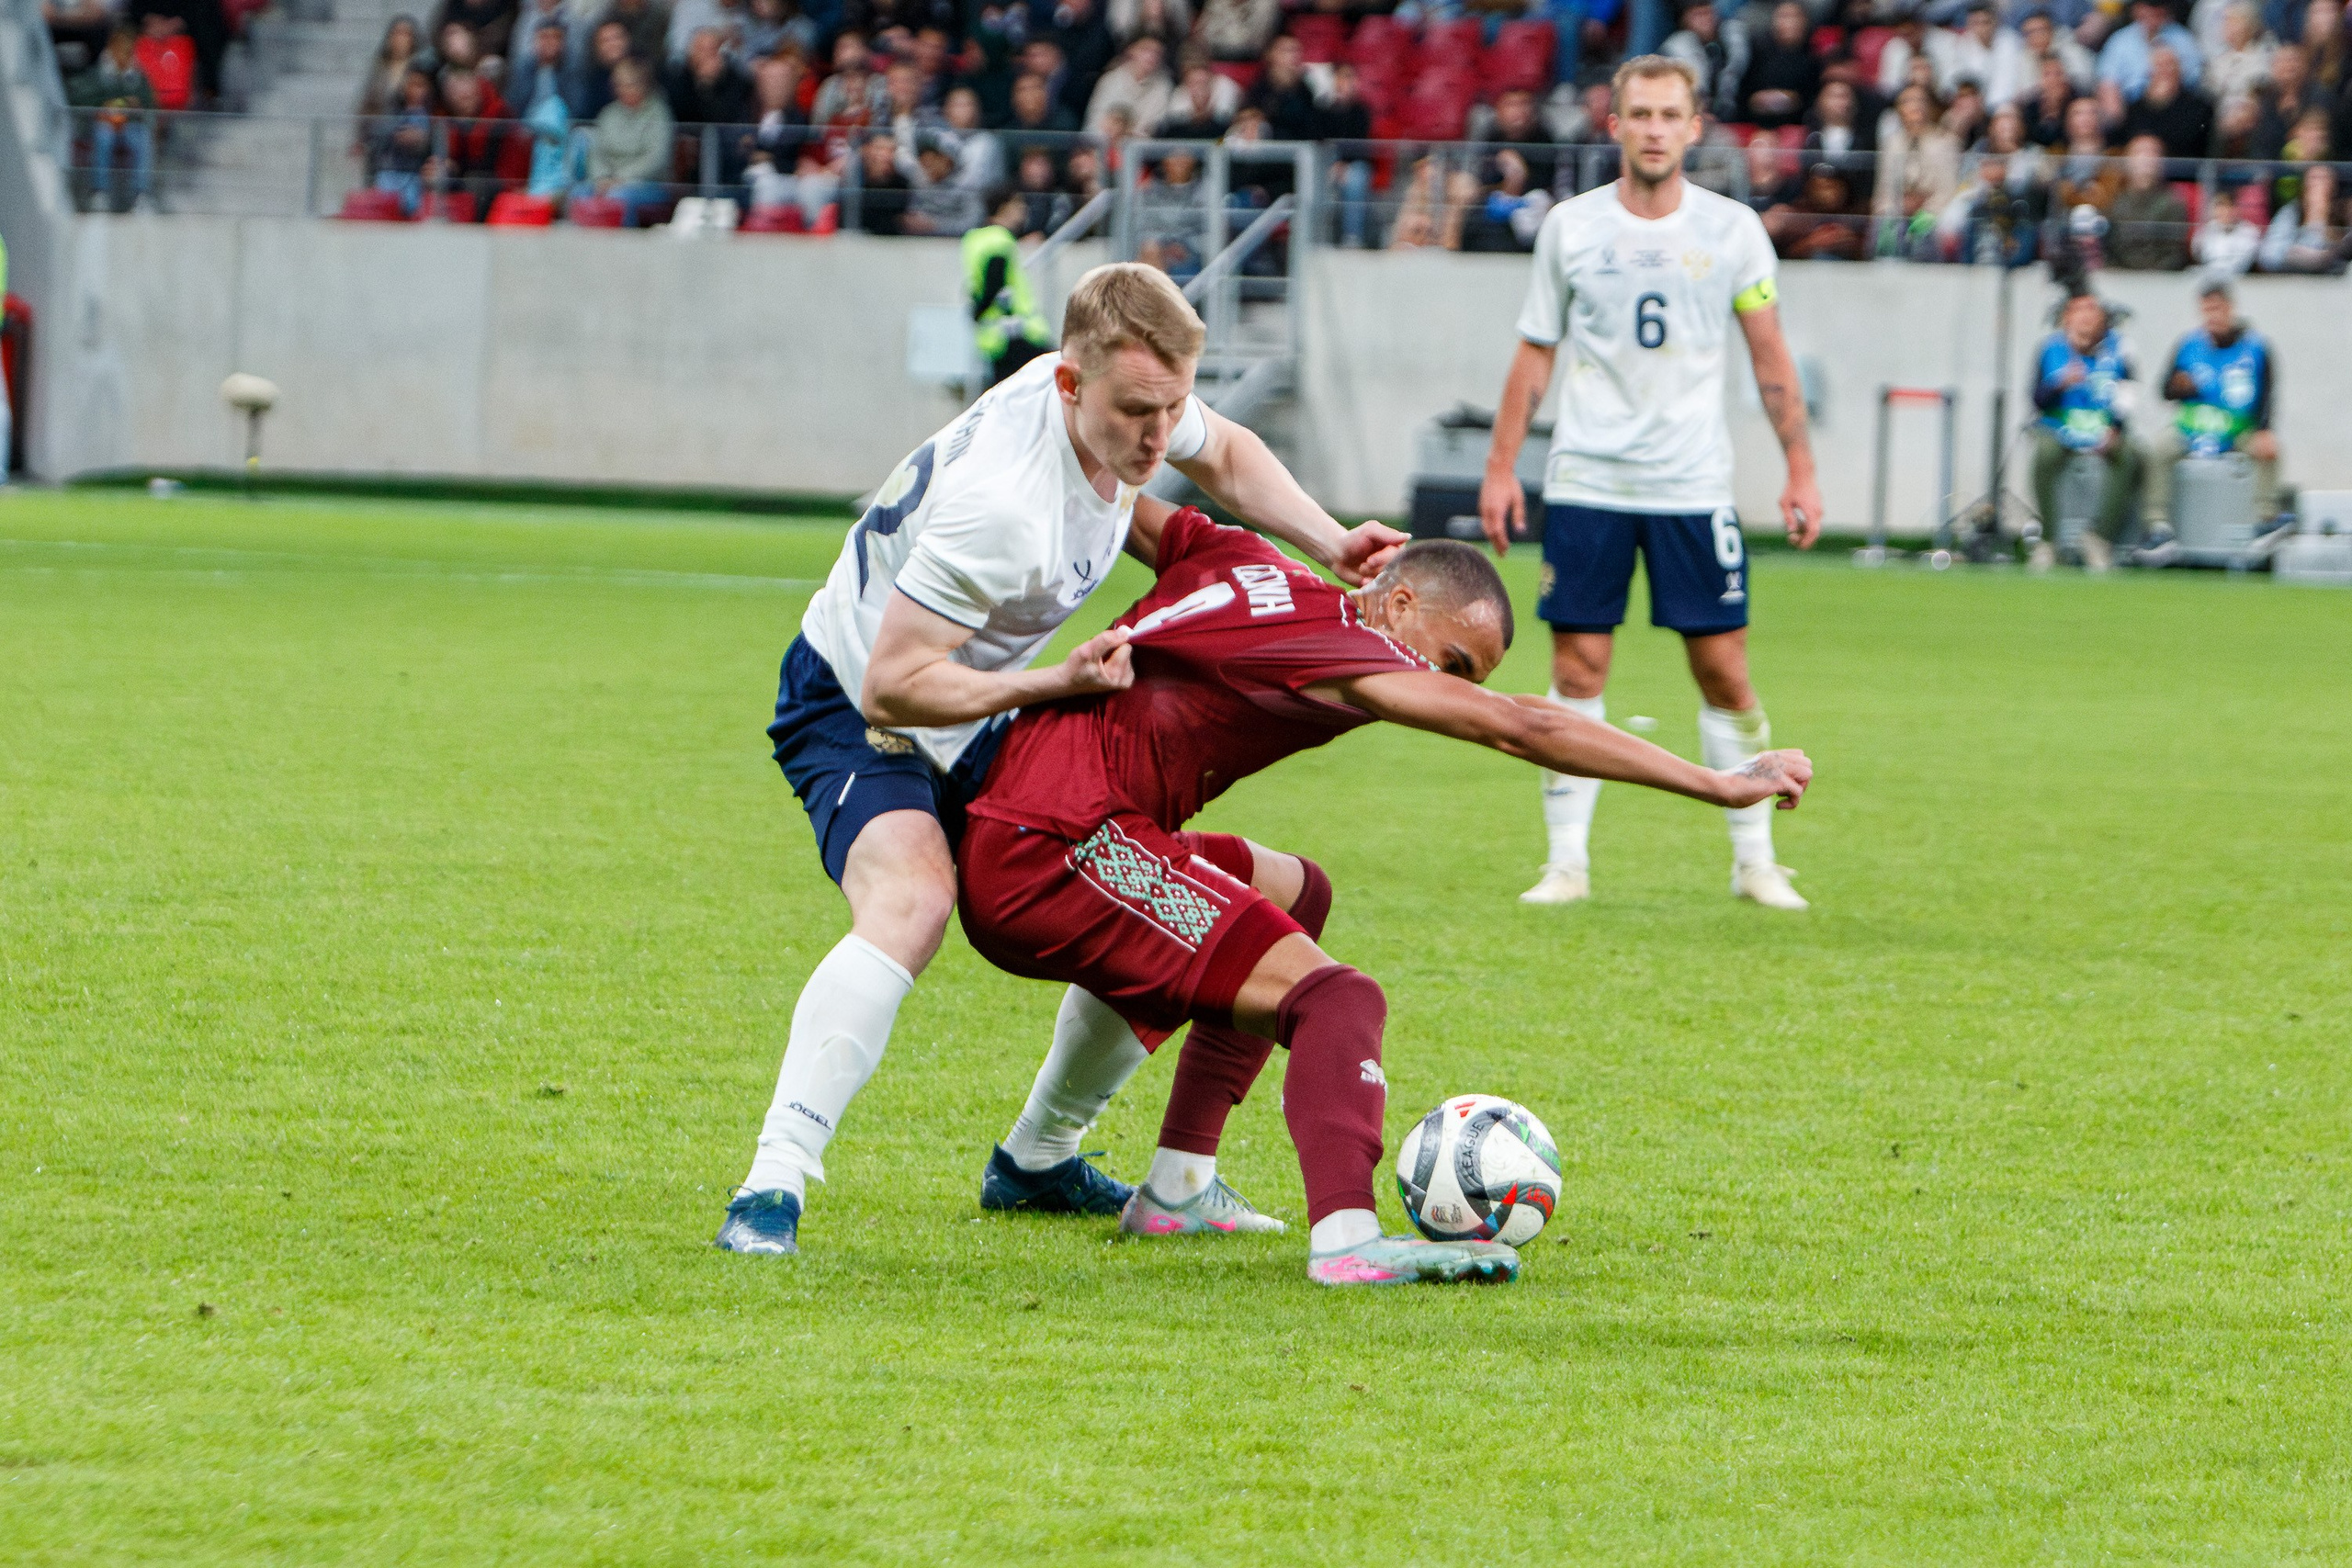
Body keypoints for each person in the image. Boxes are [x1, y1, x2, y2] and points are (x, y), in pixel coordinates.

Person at [713, 264, 1408, 1258]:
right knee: (913, 899)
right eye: (1137, 413)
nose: (1159, 438)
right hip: (856, 698)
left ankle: (1038, 1159)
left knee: (1146, 885)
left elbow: (1227, 453)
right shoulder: (1004, 501)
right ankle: (771, 1185)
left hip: (978, 701)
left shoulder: (1124, 399)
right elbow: (893, 687)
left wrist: (1331, 540)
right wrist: (1055, 682)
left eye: (1173, 408)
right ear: (1069, 384)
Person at [955, 516, 1812, 1282]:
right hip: (1059, 848)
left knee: (1295, 891)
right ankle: (1348, 1241)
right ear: (1398, 602)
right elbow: (1522, 724)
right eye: (1454, 663)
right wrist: (1714, 782)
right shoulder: (1351, 652)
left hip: (1055, 822)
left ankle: (1166, 1183)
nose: (1451, 686)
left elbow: (1125, 505)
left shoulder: (1246, 556)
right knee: (1337, 1000)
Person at [1477, 56, 1823, 913]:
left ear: (1695, 128)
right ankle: (1566, 863)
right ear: (1616, 125)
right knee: (1577, 668)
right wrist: (1500, 467)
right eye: (1641, 114)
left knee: (1724, 672)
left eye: (1671, 115)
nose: (1656, 129)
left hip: (1692, 485)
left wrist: (1801, 468)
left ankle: (1755, 862)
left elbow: (1770, 357)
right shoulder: (1571, 228)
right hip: (1588, 479)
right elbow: (1535, 352)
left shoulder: (1734, 231)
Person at [2145, 278, 2282, 531]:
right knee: (2160, 449)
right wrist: (2179, 387)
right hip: (2193, 426)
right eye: (2207, 310)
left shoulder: (2255, 348)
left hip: (2236, 428)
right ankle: (2157, 522)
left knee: (2268, 451)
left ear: (2231, 308)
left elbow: (2267, 392)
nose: (2212, 317)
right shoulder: (2188, 345)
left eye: (2217, 309)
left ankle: (2265, 517)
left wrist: (2264, 429)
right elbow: (2164, 391)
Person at [2028, 291, 2143, 570]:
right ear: (2067, 318)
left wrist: (2115, 428)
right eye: (2078, 311)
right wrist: (2060, 384)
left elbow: (2128, 395)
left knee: (2130, 456)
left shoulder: (2120, 349)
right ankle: (2049, 539)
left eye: (2092, 311)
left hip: (2101, 427)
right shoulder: (2051, 349)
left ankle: (2099, 537)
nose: (2085, 318)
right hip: (2059, 427)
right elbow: (2037, 399)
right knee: (2045, 453)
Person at [963, 192, 1053, 380]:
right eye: (1018, 205)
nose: (1023, 211)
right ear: (1004, 207)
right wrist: (981, 311)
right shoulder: (999, 239)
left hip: (994, 335)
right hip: (1015, 332)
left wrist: (978, 313)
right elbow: (995, 282)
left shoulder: (975, 239)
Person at [70, 23, 159, 213]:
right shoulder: (100, 72)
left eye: (128, 48)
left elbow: (149, 103)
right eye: (121, 46)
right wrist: (104, 103)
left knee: (142, 138)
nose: (124, 53)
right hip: (103, 123)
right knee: (103, 137)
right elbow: (80, 96)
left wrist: (136, 104)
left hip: (130, 124)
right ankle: (99, 192)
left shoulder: (137, 76)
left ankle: (141, 194)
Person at [578, 59, 675, 224]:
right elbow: (596, 153)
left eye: (630, 84)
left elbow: (657, 158)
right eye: (619, 85)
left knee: (618, 197)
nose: (624, 89)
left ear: (644, 84)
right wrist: (601, 178)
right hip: (608, 181)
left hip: (648, 184)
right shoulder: (609, 113)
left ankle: (620, 240)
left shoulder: (658, 113)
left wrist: (621, 179)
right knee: (579, 193)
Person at [2105, 132, 2189, 266]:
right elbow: (2110, 249)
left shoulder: (2173, 203)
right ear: (2127, 159)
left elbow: (2173, 253)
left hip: (2162, 277)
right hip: (2120, 276)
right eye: (2139, 152)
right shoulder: (2114, 202)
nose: (2146, 158)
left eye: (2153, 152)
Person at [2258, 161, 2345, 270]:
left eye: (2324, 179)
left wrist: (2319, 216)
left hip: (2332, 277)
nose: (2317, 184)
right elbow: (2270, 256)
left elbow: (2343, 257)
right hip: (2290, 275)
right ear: (2305, 184)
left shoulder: (2342, 212)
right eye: (2314, 178)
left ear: (2334, 185)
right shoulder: (2291, 212)